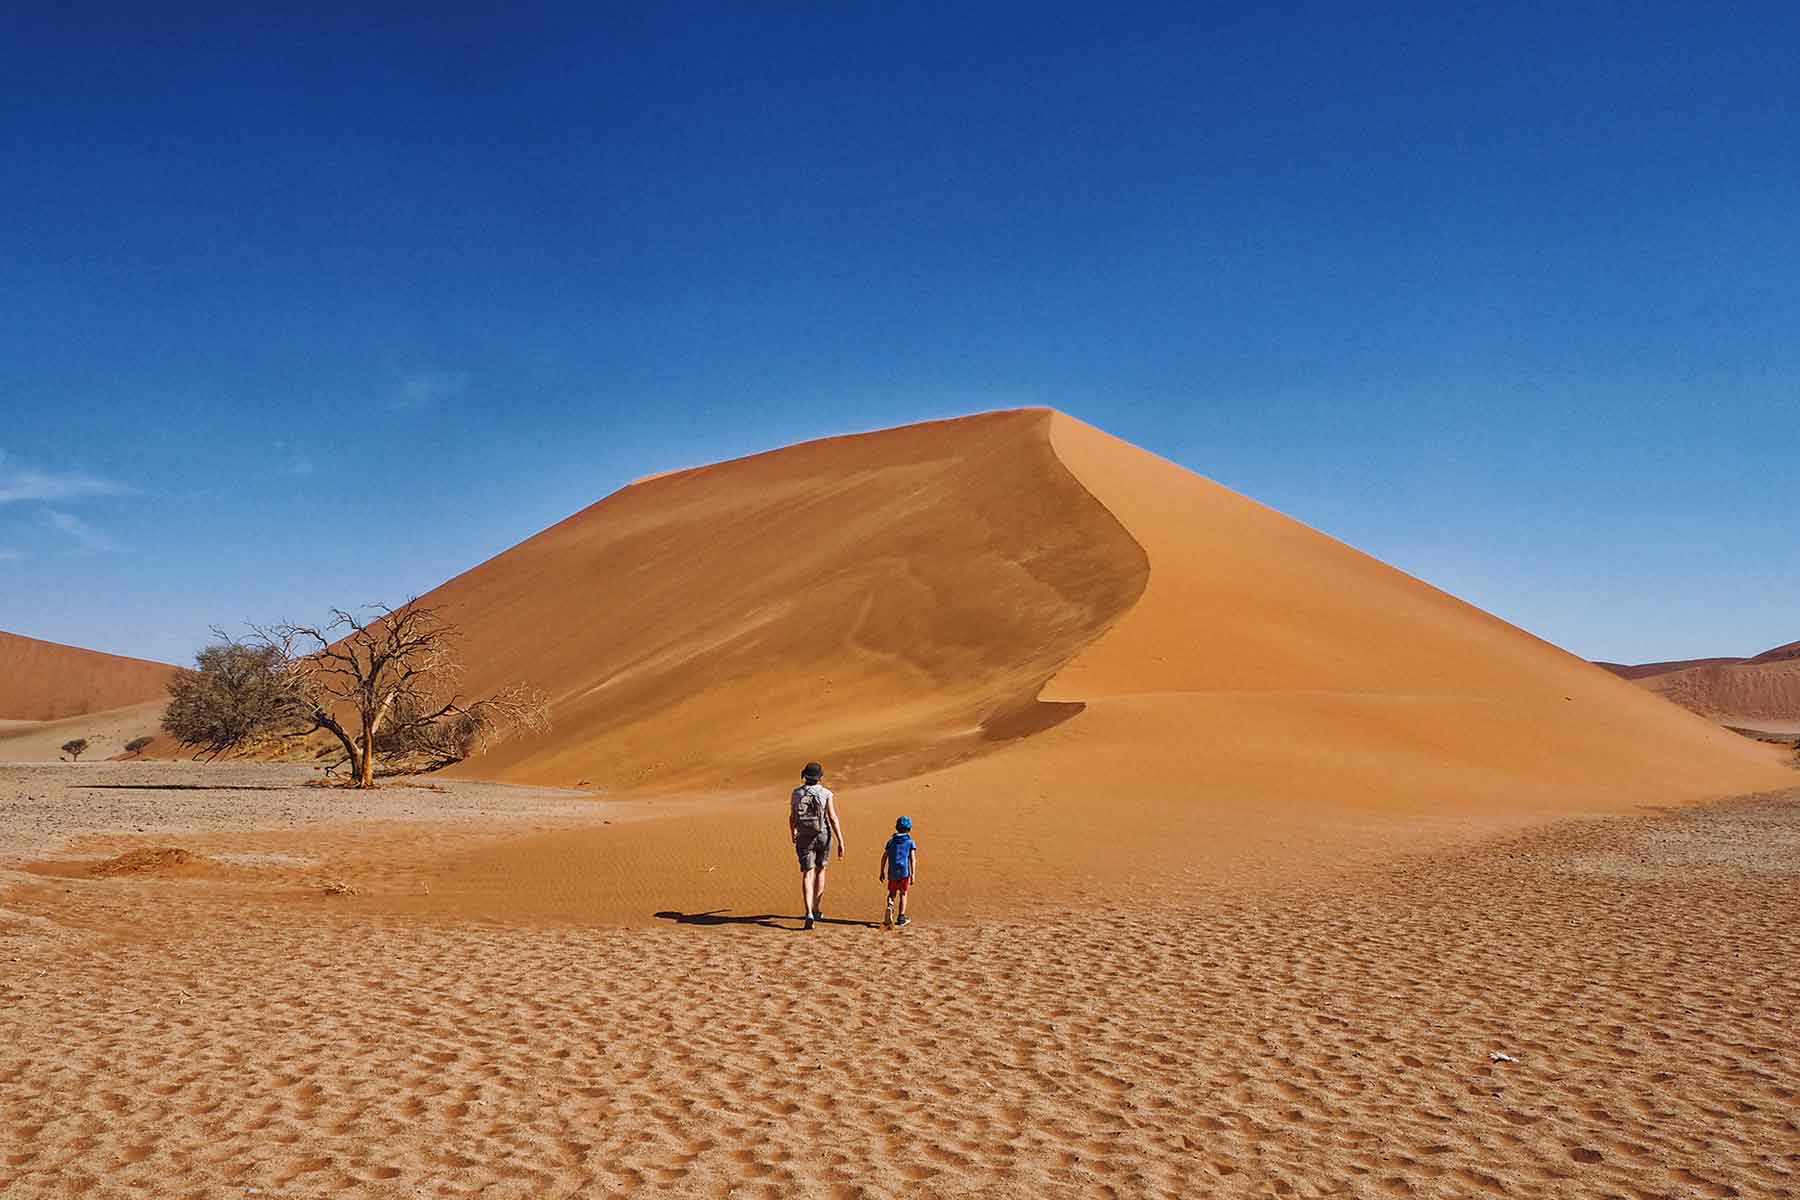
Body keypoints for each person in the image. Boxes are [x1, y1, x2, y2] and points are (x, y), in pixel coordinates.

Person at [789, 761, 845, 930]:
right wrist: (841, 840)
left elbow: (792, 817)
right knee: (821, 870)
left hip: (804, 835)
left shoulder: (797, 793)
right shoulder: (826, 793)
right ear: (820, 777)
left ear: (805, 775)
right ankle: (816, 908)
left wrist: (793, 833)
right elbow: (833, 818)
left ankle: (808, 913)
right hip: (823, 834)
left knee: (808, 873)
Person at [879, 815, 918, 928]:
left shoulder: (891, 842)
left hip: (892, 873)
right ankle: (901, 917)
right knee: (903, 893)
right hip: (904, 873)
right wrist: (913, 874)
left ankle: (890, 906)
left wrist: (882, 871)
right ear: (909, 829)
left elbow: (884, 856)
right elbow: (912, 859)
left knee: (891, 893)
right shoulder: (910, 842)